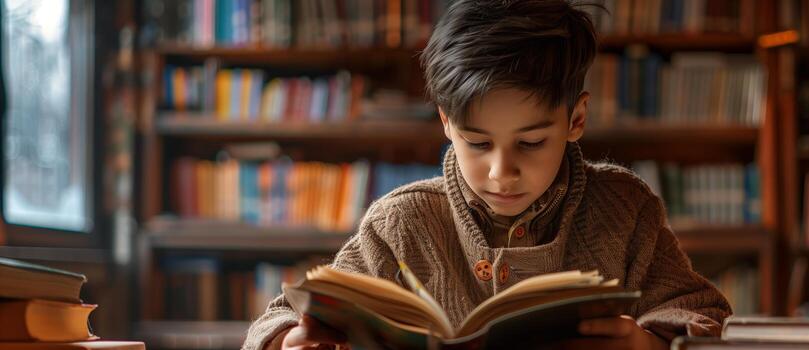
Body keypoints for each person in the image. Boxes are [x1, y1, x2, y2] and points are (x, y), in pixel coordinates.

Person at [243, 1, 731, 349]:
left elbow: (704, 316)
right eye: (477, 143)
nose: (503, 173)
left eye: (531, 142)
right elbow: (280, 317)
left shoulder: (626, 209)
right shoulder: (402, 221)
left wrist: (647, 343)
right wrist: (289, 339)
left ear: (576, 120)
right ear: (446, 123)